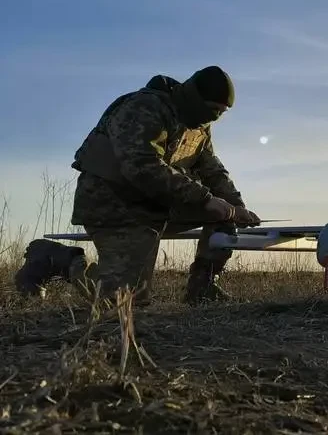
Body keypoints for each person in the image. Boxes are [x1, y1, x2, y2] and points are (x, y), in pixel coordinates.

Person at [15, 65, 261, 306]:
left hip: (157, 203)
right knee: (123, 300)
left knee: (224, 216)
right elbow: (142, 166)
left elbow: (212, 170)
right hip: (112, 203)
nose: (214, 117)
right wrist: (205, 199)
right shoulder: (144, 108)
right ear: (196, 99)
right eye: (212, 109)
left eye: (221, 112)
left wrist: (237, 208)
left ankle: (203, 287)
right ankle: (55, 259)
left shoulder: (198, 126)